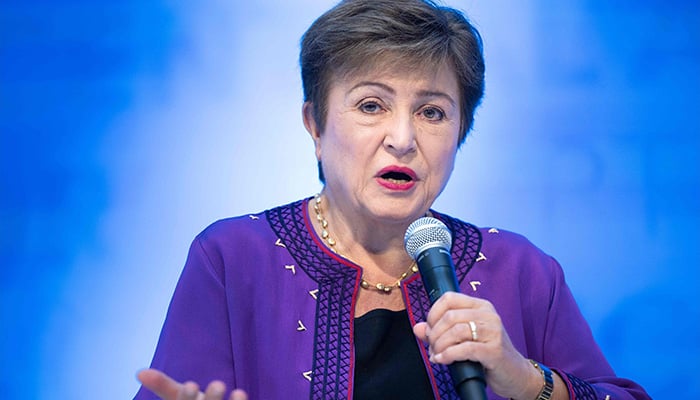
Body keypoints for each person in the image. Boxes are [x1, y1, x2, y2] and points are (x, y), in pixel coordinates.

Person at [134, 1, 651, 399]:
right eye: (372, 105)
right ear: (315, 124)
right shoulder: (233, 257)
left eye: (432, 113)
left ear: (461, 131)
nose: (402, 138)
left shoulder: (521, 270)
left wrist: (526, 380)